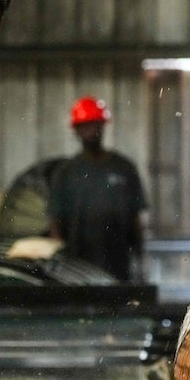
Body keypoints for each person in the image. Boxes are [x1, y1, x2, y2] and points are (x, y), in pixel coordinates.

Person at [47, 96, 147, 282]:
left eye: (95, 125)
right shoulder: (65, 173)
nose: (91, 131)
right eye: (85, 126)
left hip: (118, 267)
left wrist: (141, 263)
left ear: (103, 126)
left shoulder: (124, 169)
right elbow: (55, 222)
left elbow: (136, 220)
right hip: (77, 270)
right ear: (76, 130)